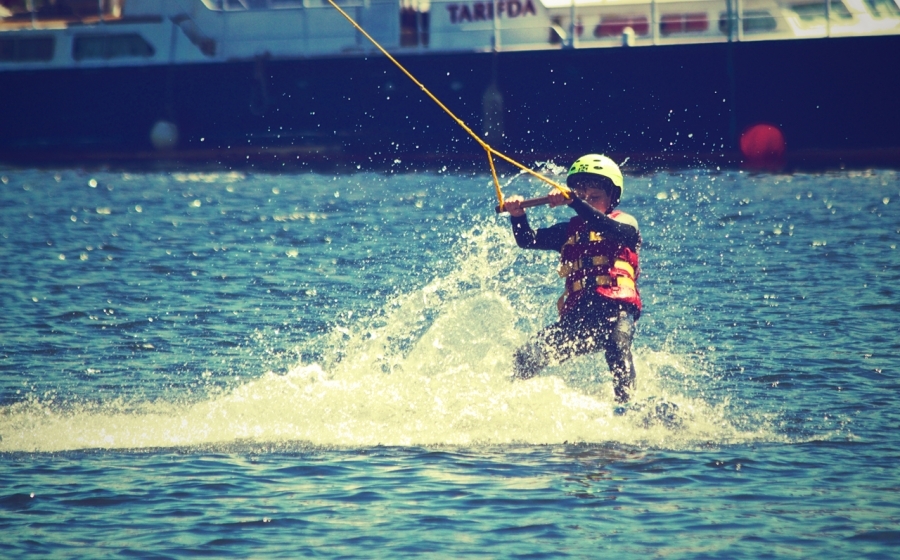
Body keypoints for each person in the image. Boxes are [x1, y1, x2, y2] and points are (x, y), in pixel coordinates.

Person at [504, 154, 641, 403]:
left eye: (595, 197)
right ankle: (510, 403)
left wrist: (576, 202)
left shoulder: (624, 223)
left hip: (616, 313)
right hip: (580, 319)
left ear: (612, 198)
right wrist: (517, 215)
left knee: (616, 348)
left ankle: (628, 407)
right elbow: (527, 240)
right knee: (526, 355)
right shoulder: (567, 232)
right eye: (582, 195)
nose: (588, 201)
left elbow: (611, 230)